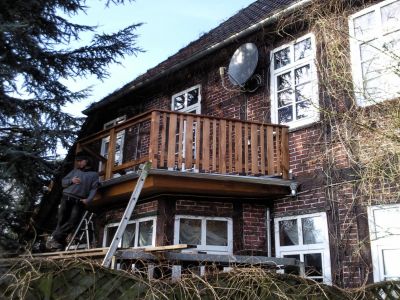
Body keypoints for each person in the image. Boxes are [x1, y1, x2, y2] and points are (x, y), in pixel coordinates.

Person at [46, 152, 99, 250]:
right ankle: (59, 245)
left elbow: (94, 189)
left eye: (80, 161)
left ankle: (53, 238)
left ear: (86, 161)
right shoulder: (75, 171)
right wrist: (71, 181)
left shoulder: (94, 175)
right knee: (61, 221)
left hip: (79, 200)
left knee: (73, 221)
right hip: (66, 197)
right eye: (77, 161)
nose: (78, 163)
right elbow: (63, 183)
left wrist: (89, 199)